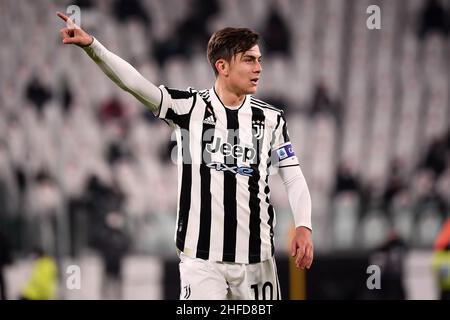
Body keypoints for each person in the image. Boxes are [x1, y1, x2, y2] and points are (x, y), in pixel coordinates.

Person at [56, 12, 313, 300]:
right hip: (202, 262)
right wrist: (93, 46)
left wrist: (303, 225)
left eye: (260, 60)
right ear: (223, 66)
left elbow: (293, 177)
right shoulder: (188, 108)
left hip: (256, 261)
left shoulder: (270, 119)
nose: (259, 68)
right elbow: (134, 84)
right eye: (249, 60)